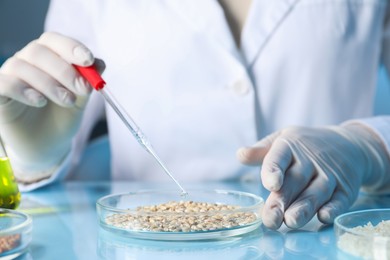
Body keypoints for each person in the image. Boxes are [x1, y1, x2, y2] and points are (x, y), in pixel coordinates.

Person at [0, 0, 389, 230]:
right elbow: (63, 87)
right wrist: (34, 158)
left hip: (323, 232)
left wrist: (369, 145)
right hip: (145, 243)